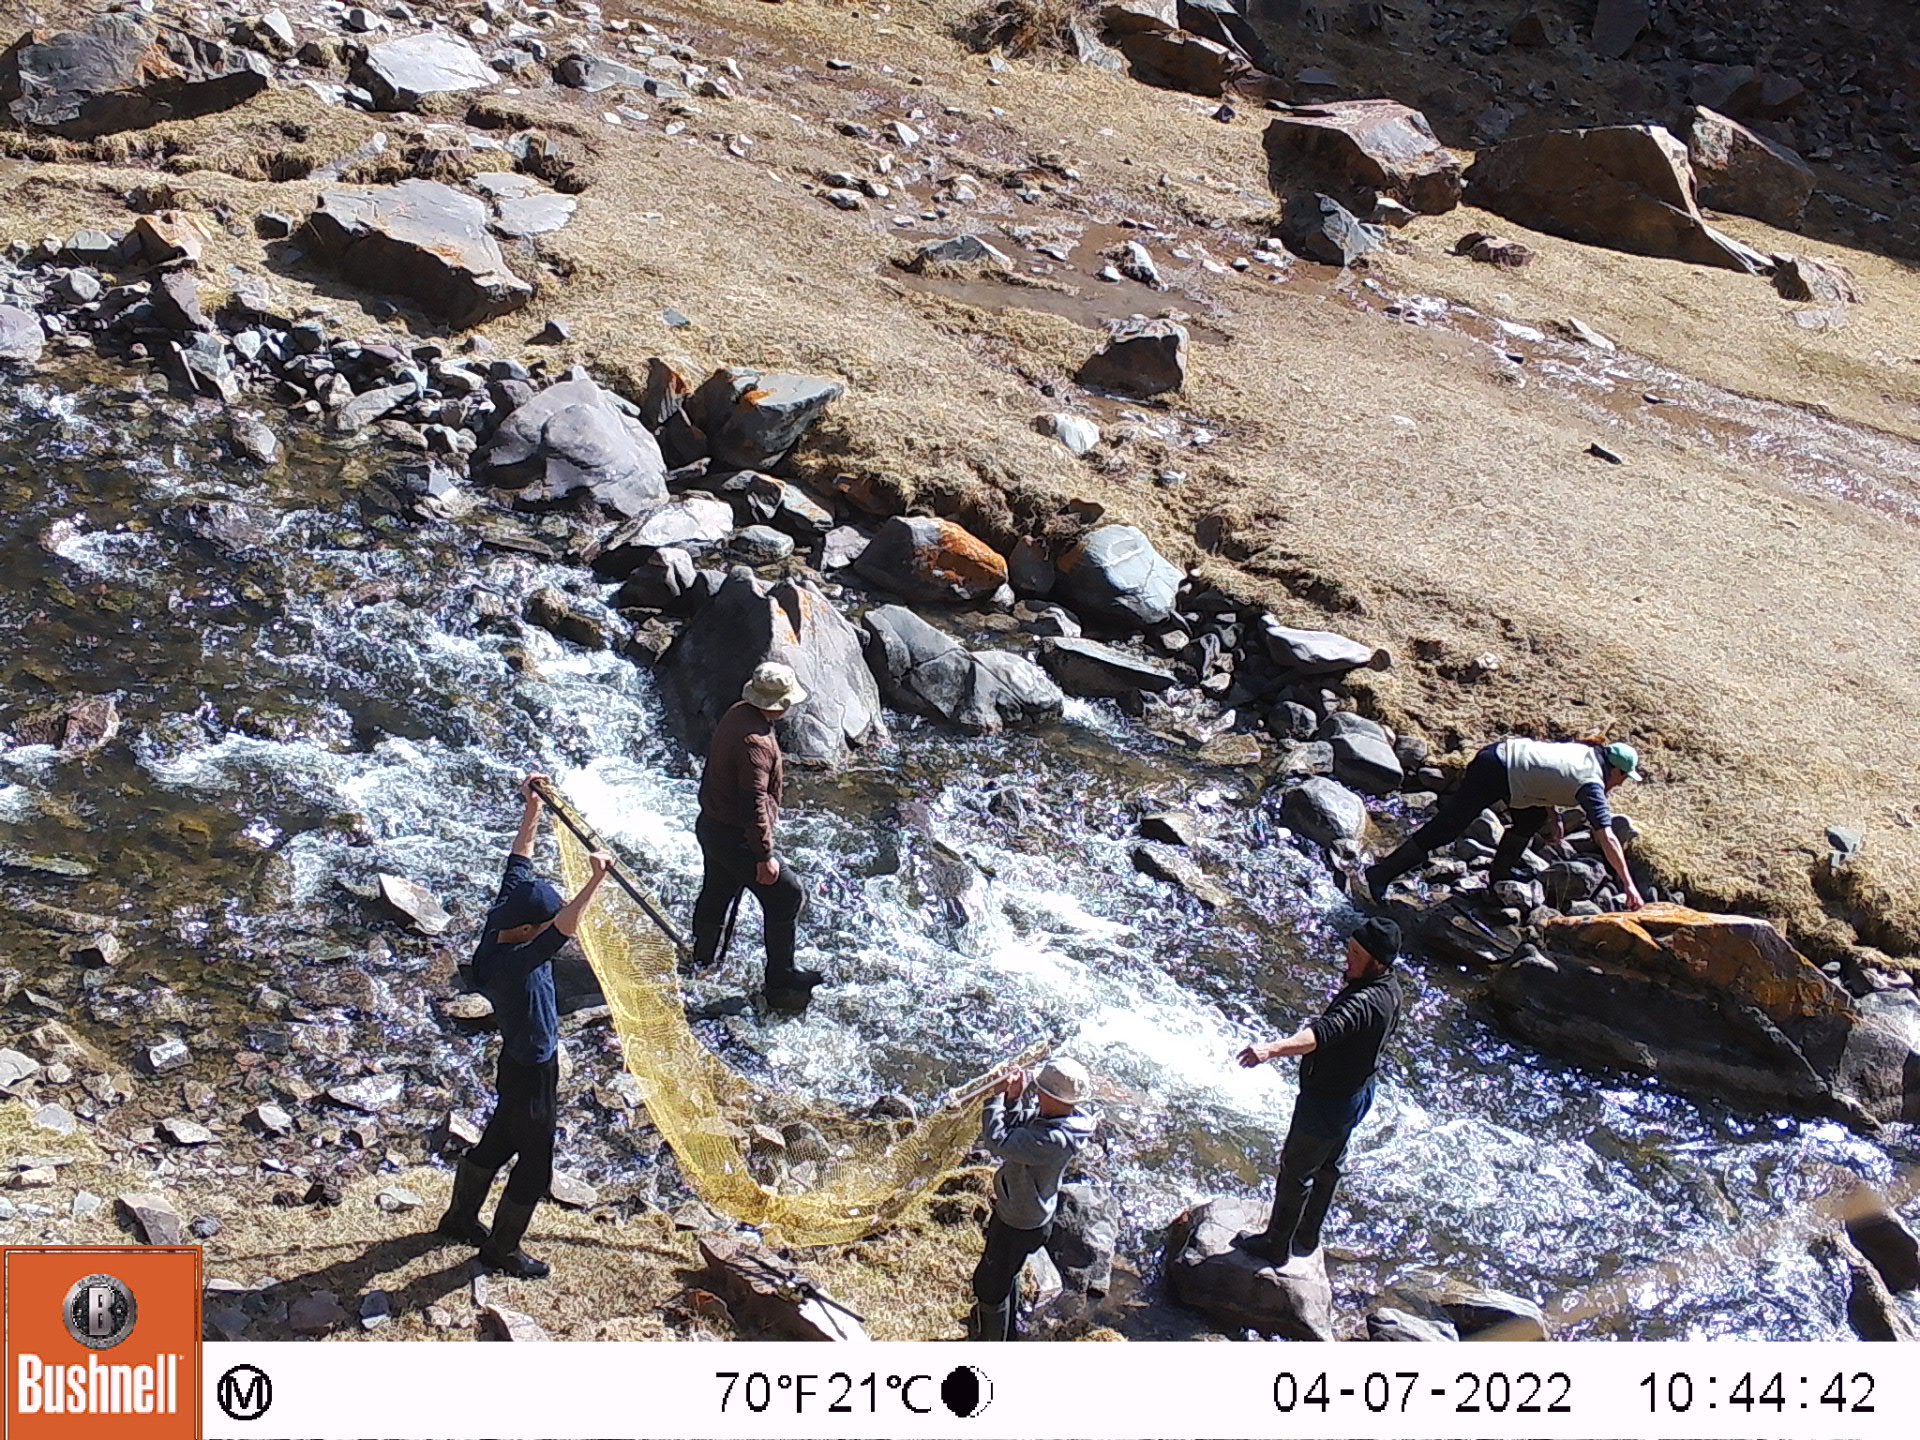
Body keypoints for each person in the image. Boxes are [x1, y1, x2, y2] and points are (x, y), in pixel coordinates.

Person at [437, 772, 613, 1278]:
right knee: (534, 1166)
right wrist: (596, 879)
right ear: (530, 928)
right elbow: (564, 929)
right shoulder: (513, 963)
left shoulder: (504, 913)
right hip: (534, 1069)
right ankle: (502, 1249)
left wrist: (532, 806)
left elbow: (520, 857)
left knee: (497, 1138)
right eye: (545, 920)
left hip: (516, 1062)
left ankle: (458, 1218)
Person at [1234, 916, 1404, 1276]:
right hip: (1357, 1093)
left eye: (1357, 953)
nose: (1348, 957)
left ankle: (1276, 1246)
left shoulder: (1367, 1002)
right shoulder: (1391, 988)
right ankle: (1307, 1237)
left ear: (1379, 961)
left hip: (1329, 1101)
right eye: (1350, 948)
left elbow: (1322, 1034)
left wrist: (1271, 1049)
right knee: (1329, 1167)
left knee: (1296, 1171)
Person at [1364, 736, 1644, 907]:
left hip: (1508, 760)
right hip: (1496, 769)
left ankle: (1498, 880)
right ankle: (1381, 874)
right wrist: (1629, 884)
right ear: (1615, 769)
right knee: (1447, 829)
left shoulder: (1588, 754)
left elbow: (1550, 773)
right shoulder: (1592, 783)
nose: (1620, 784)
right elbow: (1605, 836)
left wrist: (1553, 815)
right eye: (1623, 777)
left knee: (1531, 818)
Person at [691, 660, 820, 1008]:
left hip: (713, 826)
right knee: (786, 894)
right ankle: (781, 978)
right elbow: (753, 803)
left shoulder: (738, 713)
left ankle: (701, 960)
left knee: (717, 889)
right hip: (737, 836)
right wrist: (764, 857)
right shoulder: (756, 743)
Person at [970, 1057, 1097, 1341]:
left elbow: (998, 1141)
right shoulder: (1057, 1120)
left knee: (989, 1285)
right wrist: (1013, 1098)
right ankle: (1008, 1333)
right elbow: (1016, 1129)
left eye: (1039, 1090)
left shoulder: (1052, 1138)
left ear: (1050, 1096)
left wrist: (994, 1099)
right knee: (1007, 1273)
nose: (1035, 1093)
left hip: (1018, 1221)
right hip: (1028, 1215)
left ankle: (991, 1342)